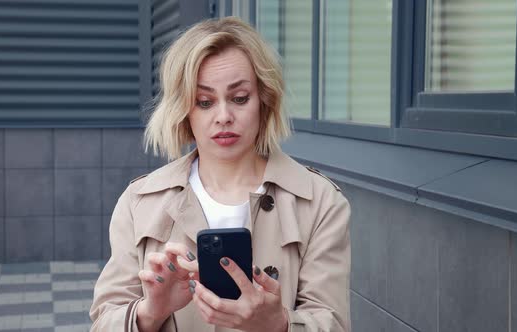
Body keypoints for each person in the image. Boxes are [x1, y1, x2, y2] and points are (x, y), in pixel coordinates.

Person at [90, 16, 351, 332]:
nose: (224, 116)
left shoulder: (319, 200)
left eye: (239, 98)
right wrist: (150, 312)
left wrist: (279, 325)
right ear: (184, 110)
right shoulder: (140, 201)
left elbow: (334, 322)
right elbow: (104, 321)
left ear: (264, 101)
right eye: (204, 101)